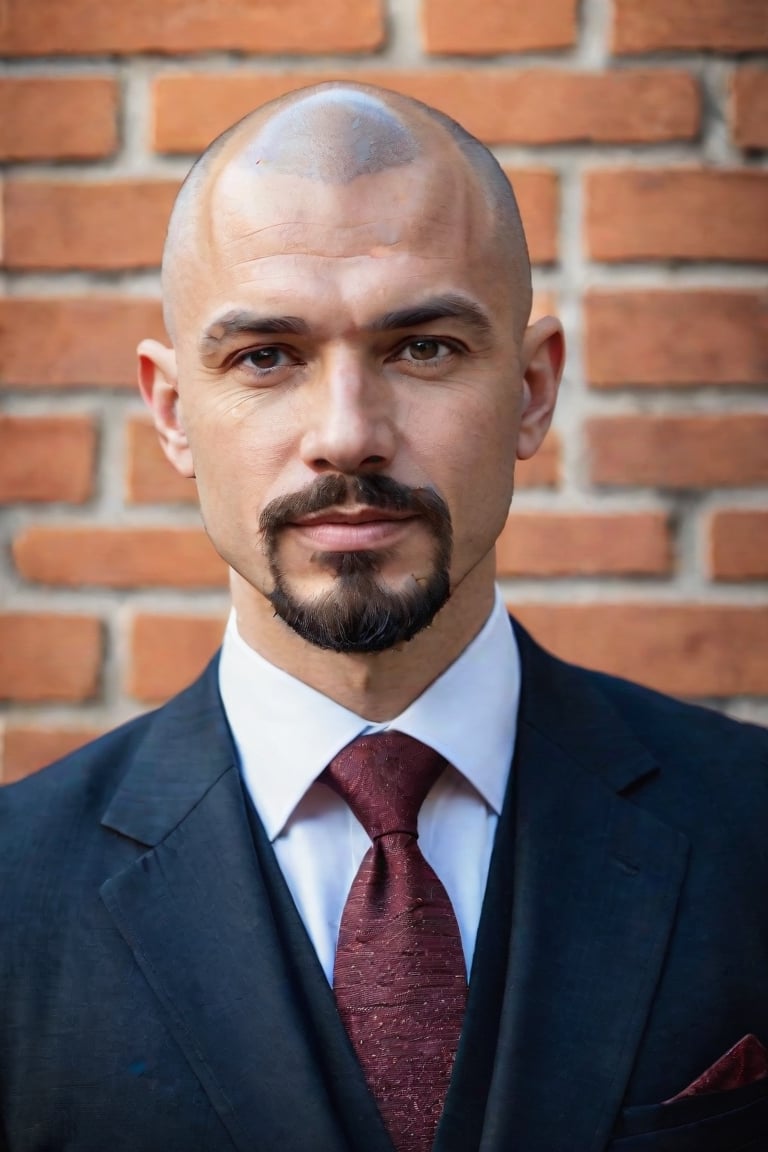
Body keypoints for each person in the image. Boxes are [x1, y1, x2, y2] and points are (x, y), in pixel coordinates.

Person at [1, 82, 767, 1152]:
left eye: (425, 349)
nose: (348, 434)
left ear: (535, 390)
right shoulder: (12, 890)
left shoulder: (751, 827)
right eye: (267, 357)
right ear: (174, 414)